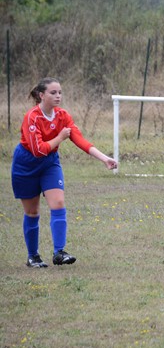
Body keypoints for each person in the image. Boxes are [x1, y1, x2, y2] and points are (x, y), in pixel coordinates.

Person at [11, 77, 118, 268]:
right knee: (32, 212)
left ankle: (59, 252)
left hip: (50, 163)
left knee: (58, 203)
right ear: (41, 95)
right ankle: (33, 256)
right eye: (53, 92)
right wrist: (60, 138)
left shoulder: (62, 116)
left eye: (60, 92)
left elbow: (80, 140)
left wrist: (104, 158)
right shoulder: (32, 117)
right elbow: (38, 150)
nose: (58, 96)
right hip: (26, 164)